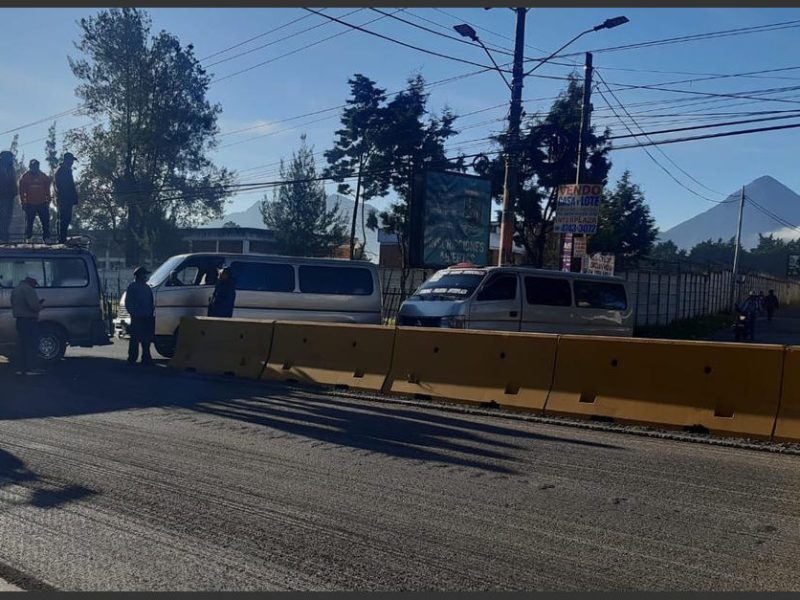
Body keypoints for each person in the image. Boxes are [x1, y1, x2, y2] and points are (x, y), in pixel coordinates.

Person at [10, 273, 44, 375]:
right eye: (35, 284)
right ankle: (31, 368)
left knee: (22, 344)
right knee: (32, 344)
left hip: (19, 320)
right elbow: (33, 306)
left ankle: (21, 368)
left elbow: (13, 303)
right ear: (31, 282)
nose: (35, 286)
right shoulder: (29, 290)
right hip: (29, 320)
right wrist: (40, 306)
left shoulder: (15, 290)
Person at [125, 266, 155, 366]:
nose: (145, 276)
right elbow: (129, 303)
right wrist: (134, 313)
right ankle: (132, 358)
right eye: (144, 274)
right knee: (135, 339)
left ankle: (146, 357)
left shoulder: (147, 287)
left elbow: (151, 302)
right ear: (139, 276)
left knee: (146, 340)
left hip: (146, 317)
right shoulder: (132, 287)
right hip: (137, 317)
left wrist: (150, 313)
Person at [18, 159, 52, 242]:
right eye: (33, 166)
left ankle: (46, 238)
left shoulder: (43, 176)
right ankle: (28, 237)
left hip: (42, 203)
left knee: (45, 221)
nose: (35, 168)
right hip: (30, 203)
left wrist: (49, 199)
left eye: (36, 166)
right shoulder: (25, 177)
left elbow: (47, 188)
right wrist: (23, 202)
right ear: (30, 167)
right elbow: (22, 191)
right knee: (29, 222)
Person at [54, 152, 78, 244]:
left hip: (68, 198)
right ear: (66, 160)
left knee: (66, 218)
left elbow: (71, 185)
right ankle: (61, 238)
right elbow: (62, 186)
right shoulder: (61, 171)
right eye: (71, 160)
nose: (72, 162)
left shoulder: (67, 170)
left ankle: (62, 237)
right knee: (63, 218)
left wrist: (74, 196)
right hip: (63, 198)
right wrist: (68, 196)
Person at [0, 150, 17, 243]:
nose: (11, 159)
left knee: (8, 217)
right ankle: (2, 236)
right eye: (8, 157)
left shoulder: (11, 168)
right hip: (2, 195)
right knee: (3, 215)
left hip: (10, 195)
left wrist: (14, 191)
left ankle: (5, 236)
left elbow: (13, 180)